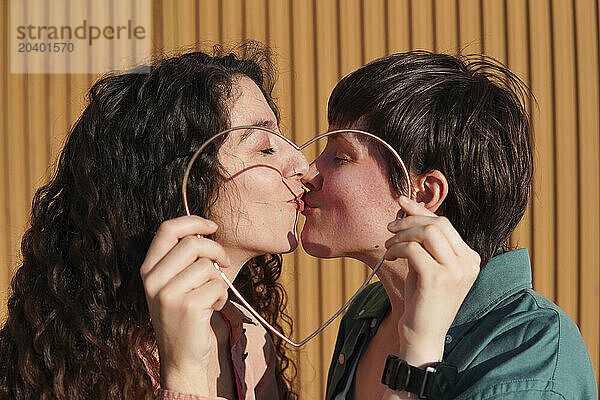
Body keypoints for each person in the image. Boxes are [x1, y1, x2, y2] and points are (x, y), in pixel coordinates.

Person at [0, 44, 307, 400]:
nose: (303, 164)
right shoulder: (76, 367)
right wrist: (185, 376)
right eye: (265, 149)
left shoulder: (250, 338)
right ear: (181, 181)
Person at [300, 51, 597, 399]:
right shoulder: (368, 313)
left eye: (340, 156)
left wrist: (418, 355)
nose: (308, 172)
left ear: (425, 194)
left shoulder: (531, 353)